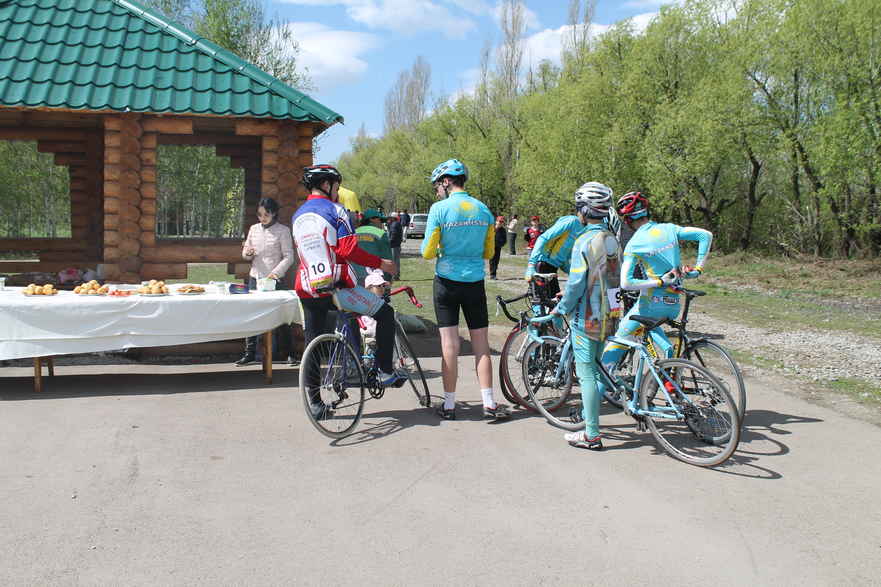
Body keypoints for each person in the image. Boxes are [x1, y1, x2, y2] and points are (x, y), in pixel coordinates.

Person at [291, 164, 402, 418]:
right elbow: (348, 249)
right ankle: (385, 370)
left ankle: (316, 403)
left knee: (313, 342)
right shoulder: (336, 210)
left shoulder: (297, 215)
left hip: (307, 287)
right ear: (326, 185)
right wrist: (381, 263)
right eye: (336, 186)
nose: (337, 192)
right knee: (385, 314)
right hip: (338, 287)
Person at [598, 191, 713, 399]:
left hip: (649, 305)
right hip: (673, 304)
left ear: (627, 220)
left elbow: (626, 283)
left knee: (609, 355)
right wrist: (697, 270)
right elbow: (705, 235)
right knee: (656, 338)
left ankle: (588, 412)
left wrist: (658, 282)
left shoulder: (634, 244)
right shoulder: (669, 229)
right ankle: (664, 379)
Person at [421, 158, 510, 421]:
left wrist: (441, 249)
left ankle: (449, 406)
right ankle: (489, 403)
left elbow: (427, 252)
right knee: (481, 344)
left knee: (449, 345)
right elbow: (489, 252)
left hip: (446, 282)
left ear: (447, 181)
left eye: (438, 185)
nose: (437, 190)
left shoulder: (439, 209)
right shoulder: (483, 210)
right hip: (474, 283)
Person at [549, 184, 620, 450]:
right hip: (610, 312)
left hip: (587, 316)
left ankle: (591, 434)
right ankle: (592, 424)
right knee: (599, 369)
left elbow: (576, 283)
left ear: (584, 210)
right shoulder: (612, 238)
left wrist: (562, 308)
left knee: (586, 373)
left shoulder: (584, 241)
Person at [236, 197, 294, 366]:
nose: (262, 218)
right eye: (260, 215)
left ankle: (289, 354)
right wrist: (248, 253)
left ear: (274, 213)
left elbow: (289, 256)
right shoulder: (253, 229)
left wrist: (276, 273)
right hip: (255, 278)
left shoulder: (283, 231)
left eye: (266, 215)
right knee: (251, 315)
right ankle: (249, 354)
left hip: (274, 279)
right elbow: (245, 253)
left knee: (282, 317)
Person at [354, 209, 394, 283]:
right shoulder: (381, 233)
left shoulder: (354, 232)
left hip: (354, 276)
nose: (382, 223)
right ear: (372, 219)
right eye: (380, 220)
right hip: (375, 278)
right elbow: (387, 258)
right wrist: (388, 278)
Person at [489, 215, 507, 280]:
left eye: (502, 222)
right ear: (496, 221)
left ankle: (494, 272)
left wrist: (501, 244)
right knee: (492, 260)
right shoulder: (491, 228)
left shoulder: (503, 230)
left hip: (498, 247)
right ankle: (492, 275)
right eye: (499, 221)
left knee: (496, 260)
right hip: (491, 247)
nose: (500, 223)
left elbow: (505, 240)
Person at [387, 213, 403, 280]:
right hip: (396, 245)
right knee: (396, 261)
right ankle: (396, 275)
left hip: (394, 245)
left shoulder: (394, 224)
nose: (389, 219)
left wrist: (389, 242)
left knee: (394, 261)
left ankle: (395, 276)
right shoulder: (396, 223)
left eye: (390, 218)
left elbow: (393, 235)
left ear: (393, 218)